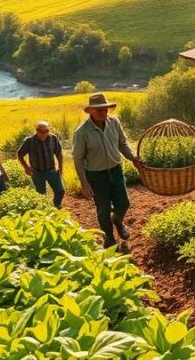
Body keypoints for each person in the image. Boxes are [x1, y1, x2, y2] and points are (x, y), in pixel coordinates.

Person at [72, 93, 139, 247]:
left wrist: (134, 158)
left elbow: (123, 144)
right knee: (103, 209)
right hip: (96, 176)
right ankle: (108, 236)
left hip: (116, 171)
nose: (103, 112)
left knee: (124, 203)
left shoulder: (114, 123)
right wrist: (84, 183)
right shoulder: (82, 132)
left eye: (105, 109)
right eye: (99, 110)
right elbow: (78, 159)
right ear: (90, 111)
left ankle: (117, 220)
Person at [17, 120, 65, 208]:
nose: (43, 133)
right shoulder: (29, 141)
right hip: (36, 172)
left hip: (51, 170)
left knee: (60, 190)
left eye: (46, 131)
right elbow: (19, 154)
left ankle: (56, 205)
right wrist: (26, 166)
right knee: (41, 194)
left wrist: (60, 168)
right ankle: (44, 211)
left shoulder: (53, 139)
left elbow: (59, 153)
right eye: (40, 130)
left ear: (49, 130)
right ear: (36, 130)